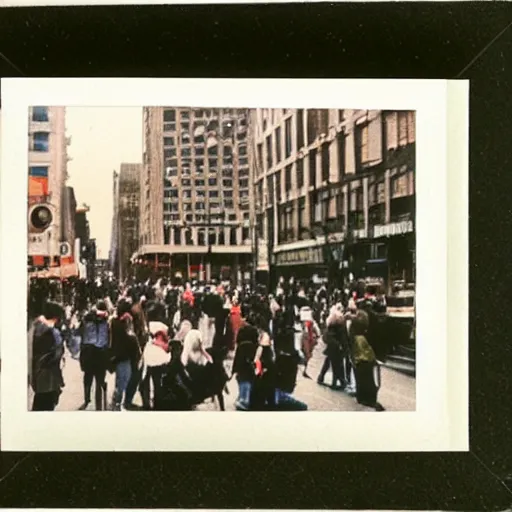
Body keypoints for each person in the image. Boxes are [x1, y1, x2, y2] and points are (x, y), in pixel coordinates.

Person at [31, 301, 65, 411]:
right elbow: (57, 355)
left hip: (38, 376)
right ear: (56, 317)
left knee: (38, 405)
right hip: (50, 379)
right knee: (47, 406)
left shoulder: (36, 327)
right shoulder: (53, 333)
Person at [350, 309, 385, 411]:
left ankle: (363, 398)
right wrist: (373, 360)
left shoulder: (355, 336)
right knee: (368, 381)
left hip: (360, 362)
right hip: (364, 362)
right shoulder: (361, 339)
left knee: (362, 381)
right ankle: (369, 400)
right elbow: (366, 353)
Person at [78, 300, 110, 411]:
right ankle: (94, 403)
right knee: (96, 379)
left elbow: (79, 334)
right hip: (97, 352)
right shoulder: (104, 321)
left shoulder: (88, 319)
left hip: (92, 352)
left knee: (91, 378)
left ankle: (91, 401)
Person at [109, 299, 140, 411]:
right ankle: (117, 404)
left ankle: (116, 403)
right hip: (123, 356)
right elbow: (130, 337)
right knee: (123, 381)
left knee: (121, 381)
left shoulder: (114, 322)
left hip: (119, 355)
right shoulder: (121, 323)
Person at [231, 313, 259, 411]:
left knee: (241, 377)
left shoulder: (242, 330)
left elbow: (237, 341)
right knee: (250, 377)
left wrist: (233, 369)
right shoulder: (255, 331)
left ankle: (243, 398)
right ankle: (246, 397)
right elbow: (257, 343)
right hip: (251, 357)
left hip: (241, 357)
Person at [317, 309, 348, 390]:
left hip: (332, 348)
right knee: (336, 365)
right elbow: (343, 339)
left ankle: (322, 377)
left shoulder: (331, 326)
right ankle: (338, 382)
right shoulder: (340, 327)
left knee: (328, 363)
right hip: (337, 349)